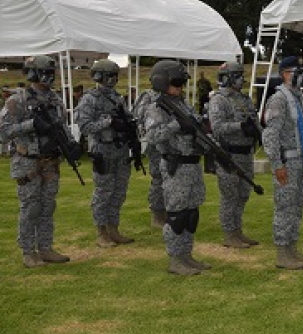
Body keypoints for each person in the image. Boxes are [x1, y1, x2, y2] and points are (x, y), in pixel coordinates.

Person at [0, 56, 80, 268]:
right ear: (32, 73)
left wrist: (72, 145)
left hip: (50, 163)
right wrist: (30, 124)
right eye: (44, 72)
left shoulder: (55, 100)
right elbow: (3, 132)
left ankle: (45, 248)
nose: (49, 77)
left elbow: (61, 127)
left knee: (48, 206)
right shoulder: (18, 101)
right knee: (31, 207)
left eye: (51, 73)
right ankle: (28, 251)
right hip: (28, 163)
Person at [144, 60, 211, 275]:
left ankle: (187, 255)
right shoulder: (156, 107)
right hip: (176, 166)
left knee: (191, 213)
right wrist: (175, 125)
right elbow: (152, 136)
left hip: (192, 165)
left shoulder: (182, 103)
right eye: (177, 81)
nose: (181, 86)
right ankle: (175, 259)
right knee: (177, 214)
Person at [262, 56, 303, 270]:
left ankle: (292, 249)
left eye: (301, 72)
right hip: (287, 161)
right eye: (296, 72)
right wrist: (277, 164)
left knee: (297, 206)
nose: (300, 76)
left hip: (302, 161)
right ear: (285, 74)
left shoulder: (300, 98)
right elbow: (270, 136)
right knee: (285, 207)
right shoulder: (278, 100)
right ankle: (282, 253)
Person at [75, 59, 135, 247]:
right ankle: (101, 232)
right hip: (102, 150)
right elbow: (84, 126)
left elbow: (126, 118)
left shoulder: (117, 98)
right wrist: (107, 122)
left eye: (115, 76)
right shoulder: (89, 99)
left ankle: (113, 229)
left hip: (120, 150)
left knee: (119, 191)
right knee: (103, 192)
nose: (112, 80)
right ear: (99, 76)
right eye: (109, 75)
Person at [208, 61, 262, 249]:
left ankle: (238, 231)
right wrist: (240, 127)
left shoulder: (244, 99)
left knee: (243, 194)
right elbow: (217, 127)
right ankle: (229, 234)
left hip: (246, 154)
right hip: (229, 155)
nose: (241, 79)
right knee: (229, 196)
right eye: (237, 75)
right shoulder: (219, 100)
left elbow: (254, 121)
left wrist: (257, 131)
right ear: (228, 78)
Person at [133, 83, 167, 228]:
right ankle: (157, 213)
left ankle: (169, 211)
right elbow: (139, 118)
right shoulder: (148, 96)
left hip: (171, 143)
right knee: (158, 178)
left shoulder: (173, 95)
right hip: (156, 144)